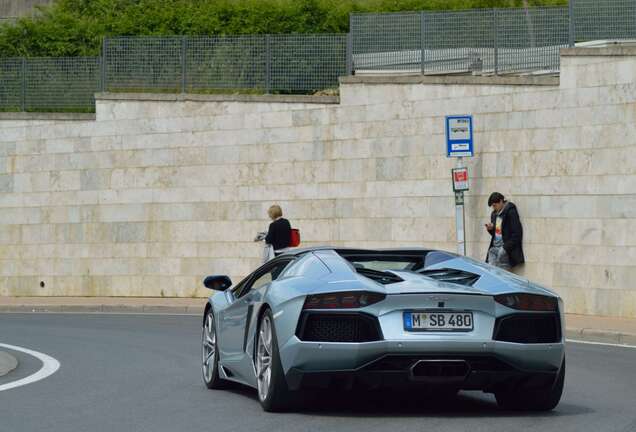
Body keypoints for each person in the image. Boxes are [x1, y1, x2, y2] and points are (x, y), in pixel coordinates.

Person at [485, 192, 524, 270]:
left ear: (501, 201)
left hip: (505, 250)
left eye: (494, 205)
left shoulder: (511, 212)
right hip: (494, 248)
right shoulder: (494, 214)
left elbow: (517, 234)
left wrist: (505, 248)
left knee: (501, 276)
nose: (494, 208)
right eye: (492, 206)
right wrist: (491, 229)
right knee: (490, 273)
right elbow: (496, 234)